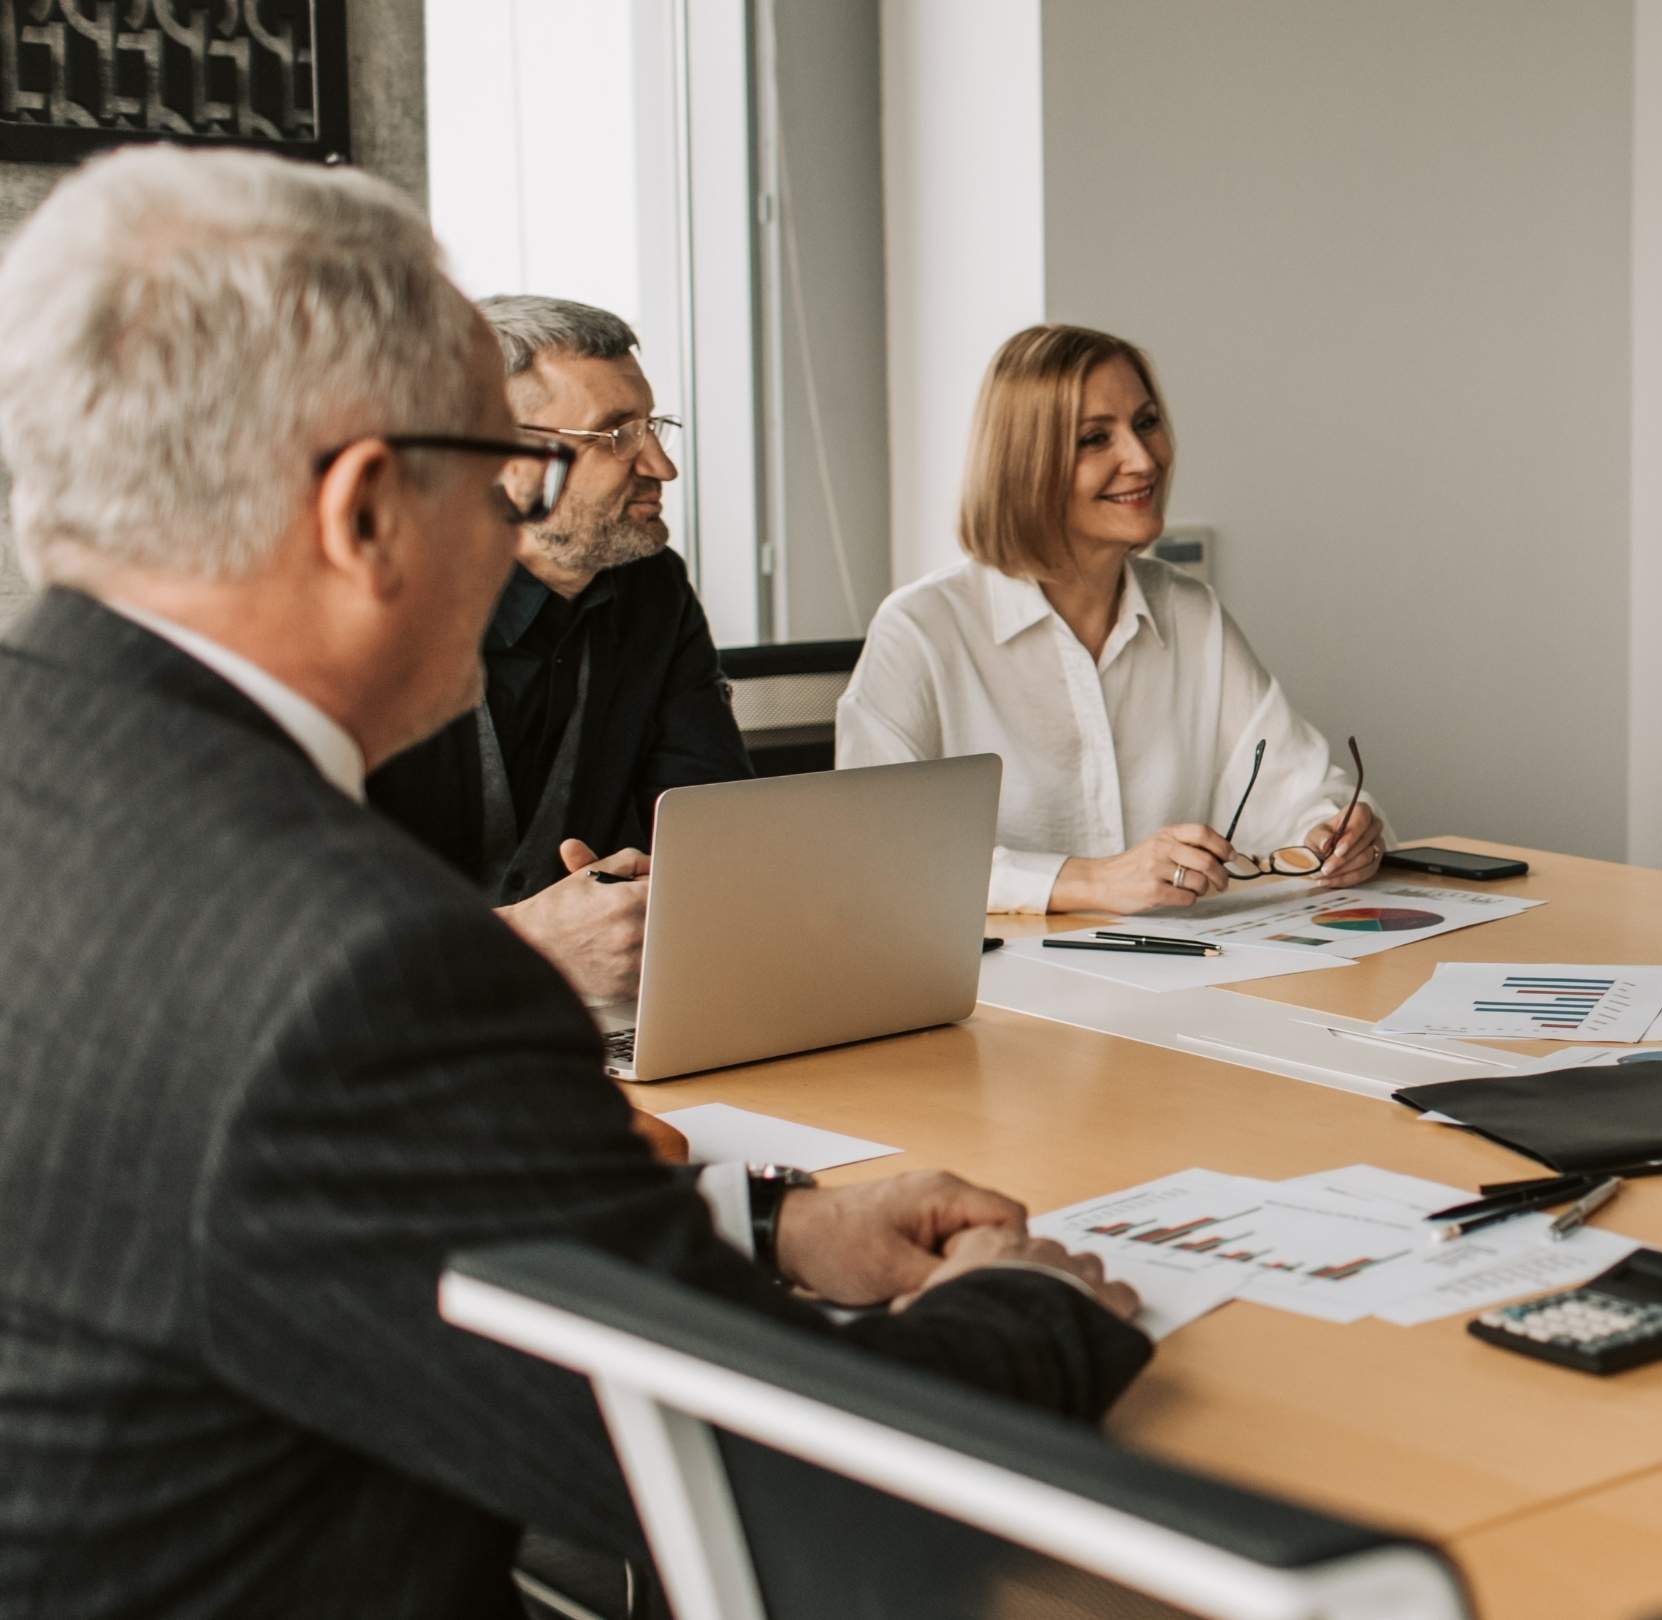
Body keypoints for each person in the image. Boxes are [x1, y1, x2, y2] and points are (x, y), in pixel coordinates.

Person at [0, 148, 1145, 1620]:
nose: (517, 527)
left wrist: (761, 1219)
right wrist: (1030, 1311)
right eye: (504, 478)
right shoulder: (366, 970)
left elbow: (297, 1212)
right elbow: (785, 1473)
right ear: (361, 515)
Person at [837, 325, 1383, 914]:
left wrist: (1336, 833)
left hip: (1186, 976)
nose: (1143, 460)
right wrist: (1092, 881)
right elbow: (875, 859)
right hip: (992, 993)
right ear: (1024, 463)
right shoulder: (920, 631)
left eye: (1146, 423)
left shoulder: (1192, 615)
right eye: (1096, 438)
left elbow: (1299, 791)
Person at [368, 295, 749, 1004]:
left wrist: (659, 889)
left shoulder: (653, 592)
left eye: (652, 427)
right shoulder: (370, 617)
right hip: (399, 1036)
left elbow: (715, 828)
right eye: (614, 436)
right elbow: (307, 929)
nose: (661, 466)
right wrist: (528, 944)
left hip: (603, 1022)